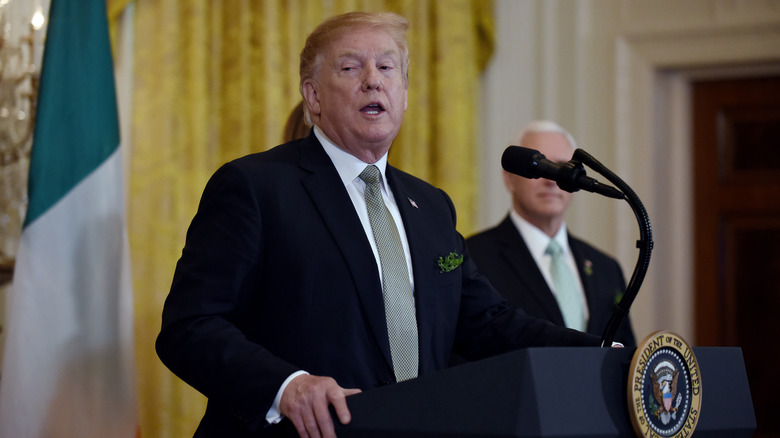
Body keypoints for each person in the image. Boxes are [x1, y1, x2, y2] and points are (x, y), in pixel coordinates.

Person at [156, 13, 603, 438]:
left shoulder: (430, 205)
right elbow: (190, 326)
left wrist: (596, 355)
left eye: (387, 66)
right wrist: (286, 386)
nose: (373, 79)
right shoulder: (255, 187)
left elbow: (487, 322)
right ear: (312, 96)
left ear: (404, 92)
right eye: (350, 67)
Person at [467, 120, 636, 346]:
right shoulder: (474, 257)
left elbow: (625, 354)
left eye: (563, 167)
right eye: (539, 166)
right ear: (509, 178)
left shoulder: (606, 267)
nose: (552, 179)